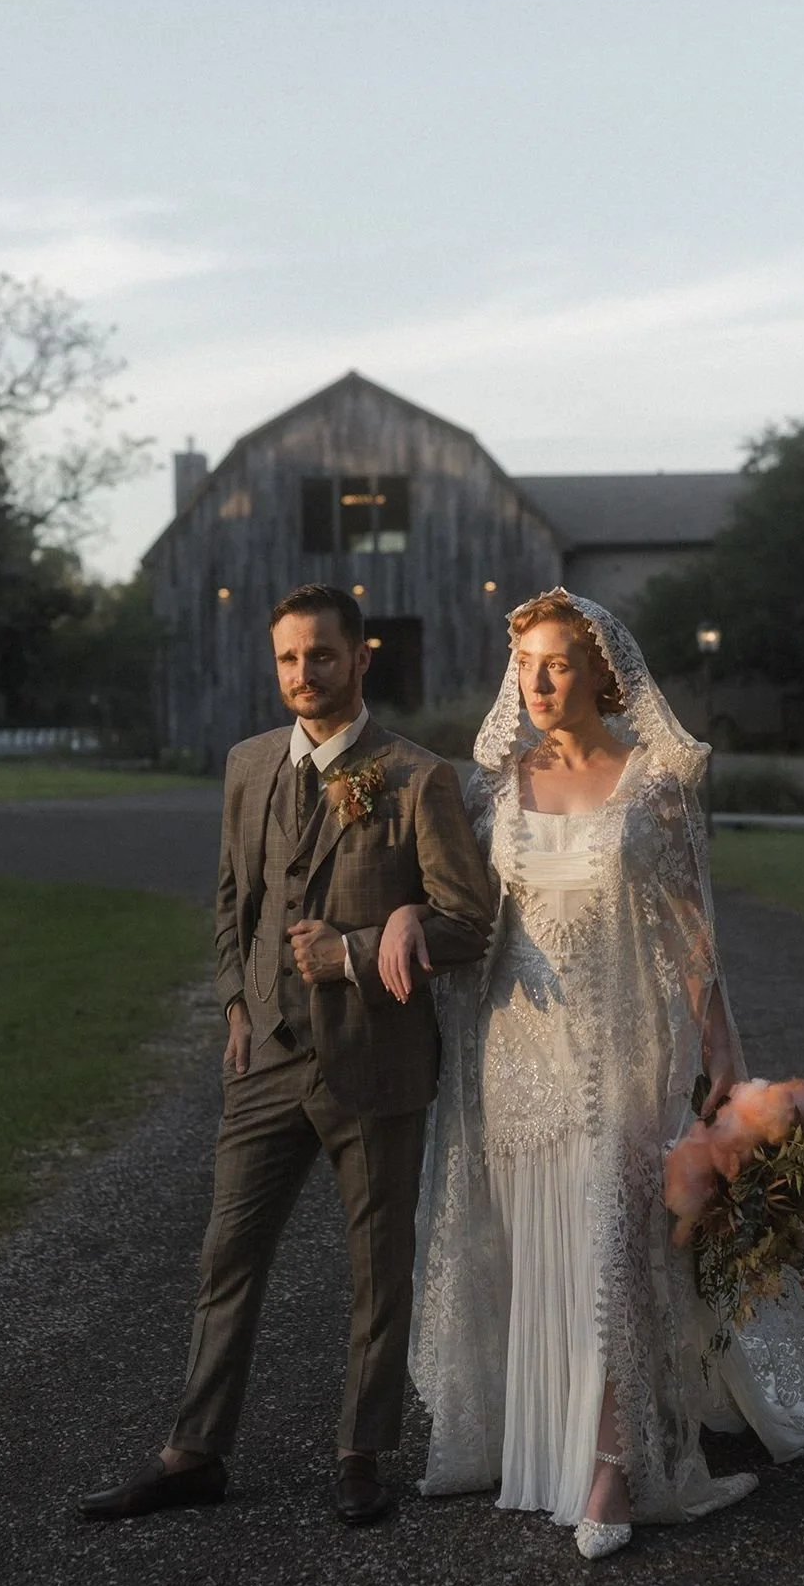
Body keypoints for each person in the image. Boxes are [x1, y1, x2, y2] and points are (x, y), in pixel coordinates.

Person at [388, 589, 804, 1560]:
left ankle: (617, 1468)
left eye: (557, 663)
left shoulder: (655, 781)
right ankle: (539, 1443)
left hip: (620, 1053)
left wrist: (721, 1062)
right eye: (523, 663)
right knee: (538, 1244)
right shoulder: (487, 788)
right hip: (513, 1057)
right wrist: (398, 919)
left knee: (613, 1239)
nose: (536, 680)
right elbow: (451, 905)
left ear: (602, 673)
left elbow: (690, 937)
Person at [79, 584, 494, 1525]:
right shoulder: (248, 763)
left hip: (376, 1058)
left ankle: (361, 1452)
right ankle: (192, 1452)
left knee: (377, 1268)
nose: (302, 675)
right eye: (287, 659)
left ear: (360, 658)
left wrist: (351, 952)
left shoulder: (418, 777)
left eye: (320, 656)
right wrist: (236, 998)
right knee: (228, 1253)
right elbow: (234, 898)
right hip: (267, 1055)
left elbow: (471, 923)